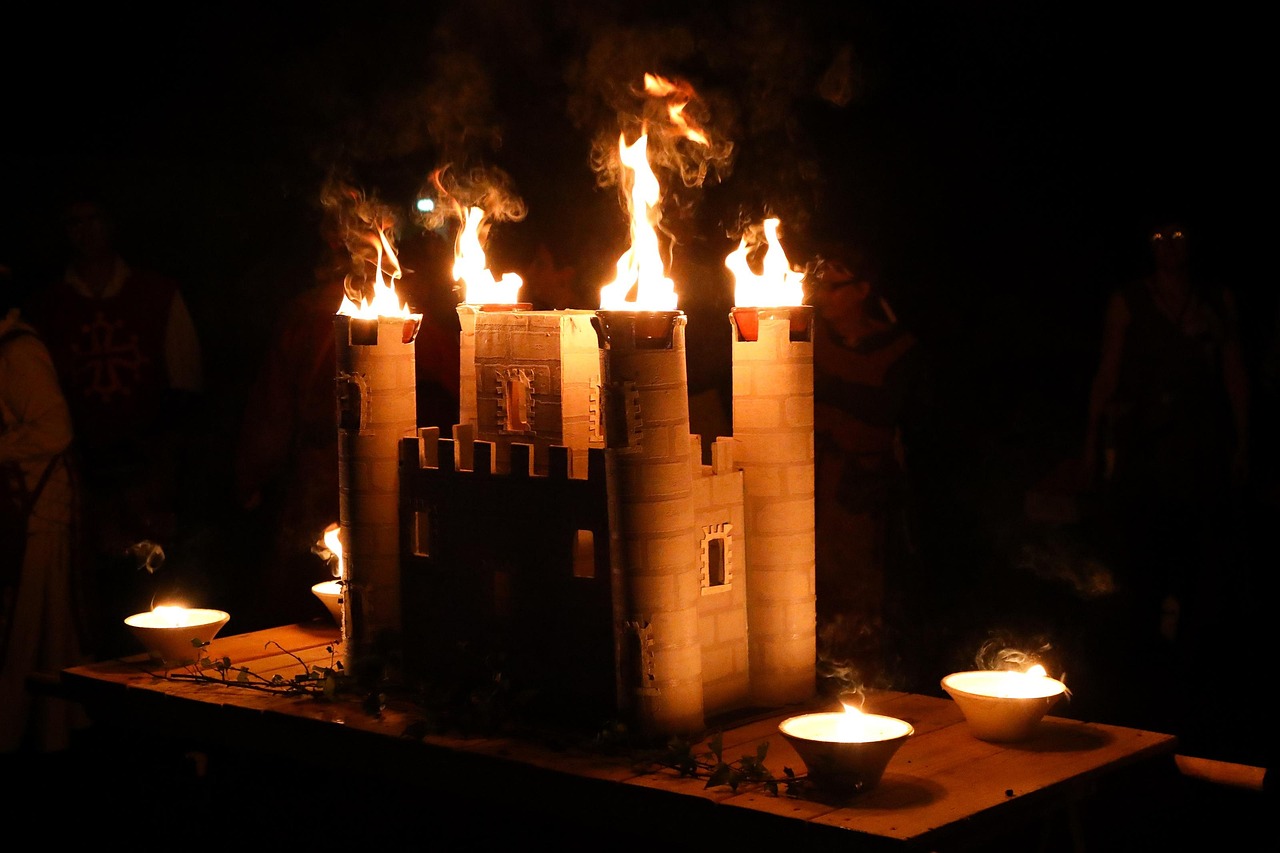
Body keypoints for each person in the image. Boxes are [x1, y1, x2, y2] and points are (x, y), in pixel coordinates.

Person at [1081, 218, 1250, 731]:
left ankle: (1193, 676)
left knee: (1200, 560)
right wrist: (1091, 444)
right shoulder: (1130, 300)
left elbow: (1234, 373)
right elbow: (1108, 373)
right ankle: (1139, 674)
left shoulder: (1216, 301)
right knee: (1142, 560)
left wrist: (1244, 444)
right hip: (1146, 451)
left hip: (1200, 449)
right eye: (1158, 238)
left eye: (1178, 237)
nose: (1169, 248)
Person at [23, 192, 205, 659]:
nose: (84, 231)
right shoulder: (46, 306)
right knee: (88, 585)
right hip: (80, 466)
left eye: (94, 218)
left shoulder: (157, 293)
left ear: (113, 224)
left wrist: (158, 458)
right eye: (73, 222)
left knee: (154, 580)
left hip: (147, 464)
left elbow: (184, 383)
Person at [808, 242, 931, 694]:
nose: (822, 295)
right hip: (809, 486)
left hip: (860, 494)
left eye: (833, 286)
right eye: (818, 284)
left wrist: (841, 424)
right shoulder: (807, 338)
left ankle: (859, 686)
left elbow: (890, 425)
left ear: (861, 290)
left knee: (859, 594)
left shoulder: (897, 350)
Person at [0, 264, 91, 756]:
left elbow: (55, 429)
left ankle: (37, 734)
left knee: (34, 629)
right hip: (18, 511)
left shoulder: (18, 351)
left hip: (39, 512)